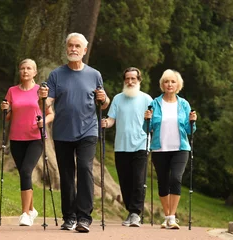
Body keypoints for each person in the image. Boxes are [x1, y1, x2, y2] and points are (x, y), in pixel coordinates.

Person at [38, 32, 110, 233]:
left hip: (88, 130)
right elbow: (47, 103)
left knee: (85, 168)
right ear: (66, 48)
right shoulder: (56, 75)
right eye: (70, 45)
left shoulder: (94, 75)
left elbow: (103, 101)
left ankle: (84, 217)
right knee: (67, 174)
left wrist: (104, 99)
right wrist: (42, 97)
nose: (73, 49)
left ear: (84, 50)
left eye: (77, 46)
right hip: (62, 132)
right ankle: (69, 217)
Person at [0, 59, 54, 226]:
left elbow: (51, 114)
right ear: (19, 71)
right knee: (24, 173)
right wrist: (4, 109)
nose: (25, 71)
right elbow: (8, 116)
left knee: (25, 170)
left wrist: (43, 122)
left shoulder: (41, 91)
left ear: (35, 72)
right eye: (22, 68)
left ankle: (25, 214)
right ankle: (32, 209)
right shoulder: (12, 91)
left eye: (29, 68)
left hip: (35, 138)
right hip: (16, 138)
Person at [144, 69, 197, 229]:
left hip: (180, 148)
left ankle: (172, 216)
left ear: (178, 85)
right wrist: (147, 119)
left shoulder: (184, 104)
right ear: (162, 84)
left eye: (173, 81)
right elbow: (147, 128)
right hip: (160, 149)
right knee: (163, 182)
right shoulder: (154, 103)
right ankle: (167, 216)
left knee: (176, 178)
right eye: (166, 81)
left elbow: (190, 130)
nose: (169, 84)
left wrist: (193, 121)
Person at [101, 67, 152, 227]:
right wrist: (105, 123)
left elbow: (154, 123)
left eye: (133, 79)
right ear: (124, 81)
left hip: (140, 145)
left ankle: (136, 213)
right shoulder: (117, 99)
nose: (130, 82)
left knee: (138, 180)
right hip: (121, 146)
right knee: (125, 181)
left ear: (139, 80)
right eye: (127, 79)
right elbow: (111, 119)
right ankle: (131, 211)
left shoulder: (147, 99)